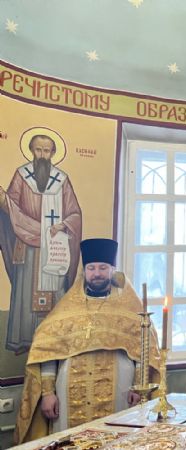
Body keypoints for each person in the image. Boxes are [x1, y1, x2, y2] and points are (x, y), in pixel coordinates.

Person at [15, 238, 160, 444]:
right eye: (91, 268)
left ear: (112, 270)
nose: (97, 273)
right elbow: (48, 351)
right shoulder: (67, 307)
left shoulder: (129, 306)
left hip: (119, 392)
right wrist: (47, 393)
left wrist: (139, 387)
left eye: (103, 267)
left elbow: (143, 349)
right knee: (70, 442)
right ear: (84, 271)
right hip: (70, 393)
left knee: (117, 441)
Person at [0, 132, 82, 354]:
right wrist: (4, 200)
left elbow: (75, 213)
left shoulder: (62, 180)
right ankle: (24, 340)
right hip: (27, 248)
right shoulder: (21, 175)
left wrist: (63, 224)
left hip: (54, 249)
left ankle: (54, 342)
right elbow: (11, 208)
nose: (42, 155)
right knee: (25, 295)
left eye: (46, 151)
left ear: (53, 153)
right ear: (31, 150)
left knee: (55, 294)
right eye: (38, 150)